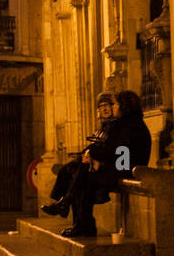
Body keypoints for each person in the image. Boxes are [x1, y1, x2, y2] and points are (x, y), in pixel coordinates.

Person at [42, 89, 151, 236]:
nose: (113, 108)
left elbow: (118, 151)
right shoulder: (124, 123)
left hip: (126, 168)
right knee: (76, 170)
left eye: (115, 104)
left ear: (124, 106)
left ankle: (76, 215)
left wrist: (95, 157)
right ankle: (75, 217)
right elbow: (108, 146)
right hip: (120, 165)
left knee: (85, 176)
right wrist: (89, 155)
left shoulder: (131, 125)